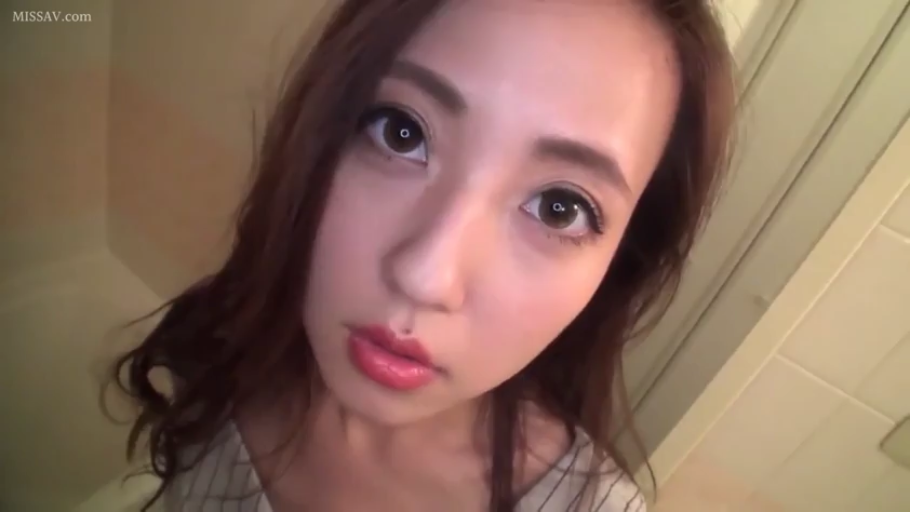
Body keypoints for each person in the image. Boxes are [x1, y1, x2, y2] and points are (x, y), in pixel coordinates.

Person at [111, 0, 735, 510]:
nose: (425, 276)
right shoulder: (225, 344)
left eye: (558, 208)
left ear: (620, 264)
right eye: (400, 132)